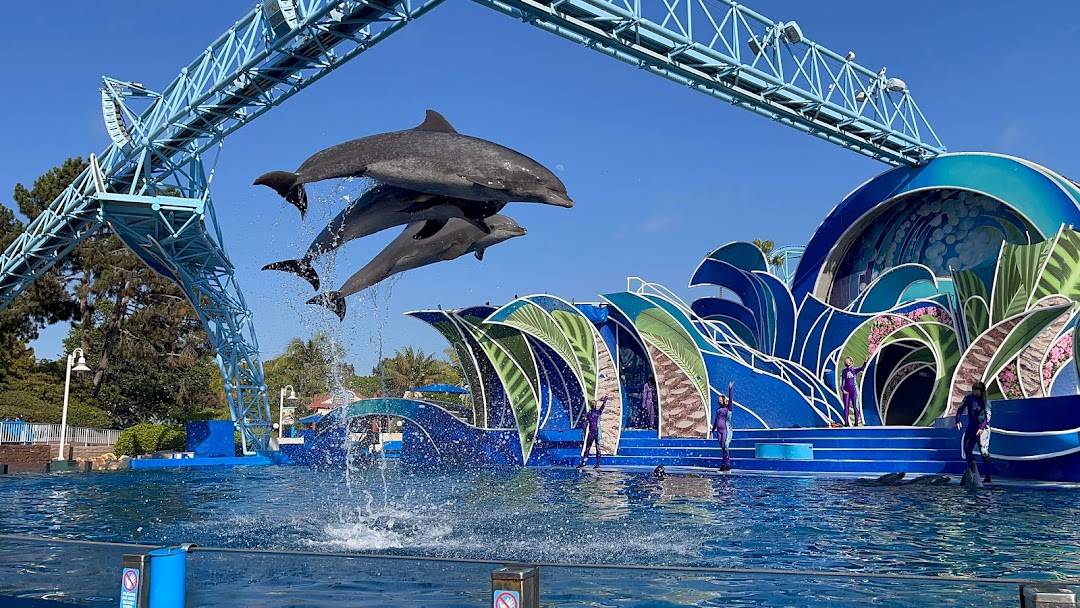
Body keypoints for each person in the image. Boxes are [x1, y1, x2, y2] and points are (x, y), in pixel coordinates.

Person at [956, 381, 992, 483]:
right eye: (974, 391)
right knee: (967, 448)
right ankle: (973, 472)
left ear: (982, 391)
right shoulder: (969, 398)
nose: (975, 393)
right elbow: (960, 409)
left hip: (983, 430)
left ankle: (987, 476)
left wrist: (981, 428)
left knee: (984, 452)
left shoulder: (986, 401)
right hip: (971, 428)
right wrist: (958, 420)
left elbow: (987, 418)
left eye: (977, 391)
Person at [578, 394, 609, 469]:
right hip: (595, 432)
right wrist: (605, 400)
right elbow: (603, 406)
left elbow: (585, 424)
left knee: (590, 447)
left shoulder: (590, 413)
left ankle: (589, 462)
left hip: (594, 432)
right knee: (591, 447)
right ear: (595, 405)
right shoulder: (596, 412)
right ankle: (593, 463)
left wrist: (583, 432)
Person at [712, 381, 735, 471]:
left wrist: (730, 389)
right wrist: (712, 430)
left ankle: (727, 465)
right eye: (719, 400)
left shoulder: (728, 408)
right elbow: (716, 420)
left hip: (726, 430)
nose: (719, 401)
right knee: (722, 448)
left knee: (725, 446)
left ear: (724, 400)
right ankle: (723, 464)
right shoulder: (718, 409)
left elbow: (731, 399)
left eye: (721, 400)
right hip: (719, 431)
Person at [840, 357, 867, 426]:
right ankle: (846, 423)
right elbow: (842, 382)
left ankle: (856, 423)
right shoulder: (843, 371)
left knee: (855, 406)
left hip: (853, 390)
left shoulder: (854, 370)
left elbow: (862, 368)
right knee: (846, 407)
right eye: (846, 361)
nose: (847, 362)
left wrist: (865, 361)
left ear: (851, 362)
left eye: (848, 361)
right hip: (846, 391)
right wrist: (843, 390)